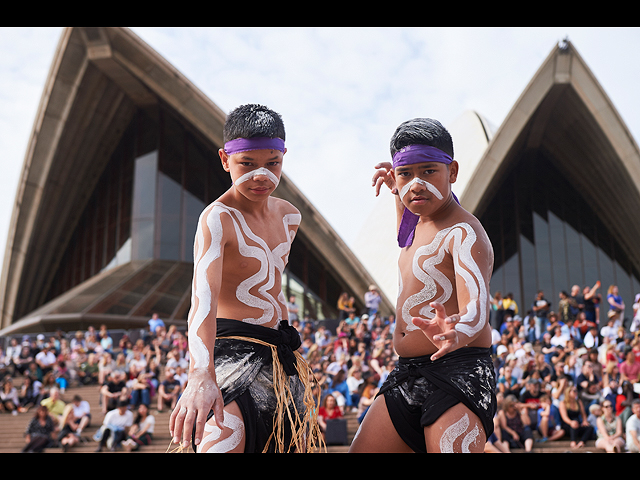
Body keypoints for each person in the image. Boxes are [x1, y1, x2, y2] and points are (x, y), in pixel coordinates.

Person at [169, 104, 321, 454]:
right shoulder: (216, 218)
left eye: (272, 164)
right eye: (247, 164)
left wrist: (292, 349)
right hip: (230, 357)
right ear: (225, 159)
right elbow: (201, 302)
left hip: (279, 361)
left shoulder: (289, 217)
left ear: (283, 157)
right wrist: (200, 374)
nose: (261, 176)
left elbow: (275, 289)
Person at [350, 117, 496, 453]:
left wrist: (459, 331)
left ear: (453, 172)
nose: (416, 184)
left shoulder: (464, 232)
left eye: (429, 171)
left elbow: (477, 307)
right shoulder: (415, 223)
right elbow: (405, 237)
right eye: (406, 174)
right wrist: (396, 191)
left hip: (458, 372)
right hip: (407, 373)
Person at [558, 384, 594, 449]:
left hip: (577, 424)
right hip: (567, 425)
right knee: (574, 423)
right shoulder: (563, 403)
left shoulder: (578, 401)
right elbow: (564, 417)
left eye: (576, 391)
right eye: (574, 391)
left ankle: (582, 442)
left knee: (589, 428)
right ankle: (573, 442)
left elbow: (583, 414)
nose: (576, 392)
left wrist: (584, 421)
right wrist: (571, 422)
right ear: (568, 392)